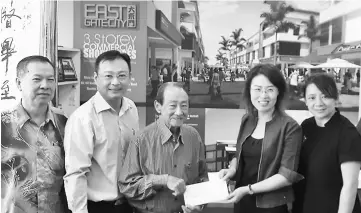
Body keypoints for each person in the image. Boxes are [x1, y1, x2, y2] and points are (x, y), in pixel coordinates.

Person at [219, 64, 303, 213]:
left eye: (270, 89)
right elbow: (240, 156)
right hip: (241, 201)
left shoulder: (290, 127)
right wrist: (232, 169)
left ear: (279, 92)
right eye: (257, 89)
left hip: (271, 206)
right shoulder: (247, 120)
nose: (263, 95)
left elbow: (287, 176)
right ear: (249, 91)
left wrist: (248, 189)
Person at [63, 50, 139, 213]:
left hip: (129, 204)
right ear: (96, 78)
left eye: (122, 75)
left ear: (130, 78)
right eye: (108, 76)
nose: (116, 82)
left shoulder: (131, 108)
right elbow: (76, 174)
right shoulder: (83, 118)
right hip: (98, 207)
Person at [119, 82, 208, 213]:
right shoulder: (141, 140)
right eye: (173, 105)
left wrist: (199, 204)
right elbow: (127, 186)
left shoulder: (193, 137)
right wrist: (163, 180)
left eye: (184, 105)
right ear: (158, 106)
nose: (179, 112)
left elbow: (202, 178)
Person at [1, 55, 68, 213]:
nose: (45, 85)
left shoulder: (65, 123)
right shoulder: (3, 125)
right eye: (37, 79)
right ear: (19, 83)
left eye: (50, 79)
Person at [293, 73, 361, 213]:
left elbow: (350, 185)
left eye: (325, 96)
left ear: (336, 99)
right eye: (312, 98)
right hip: (305, 205)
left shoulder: (347, 133)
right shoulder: (306, 126)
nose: (318, 103)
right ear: (305, 100)